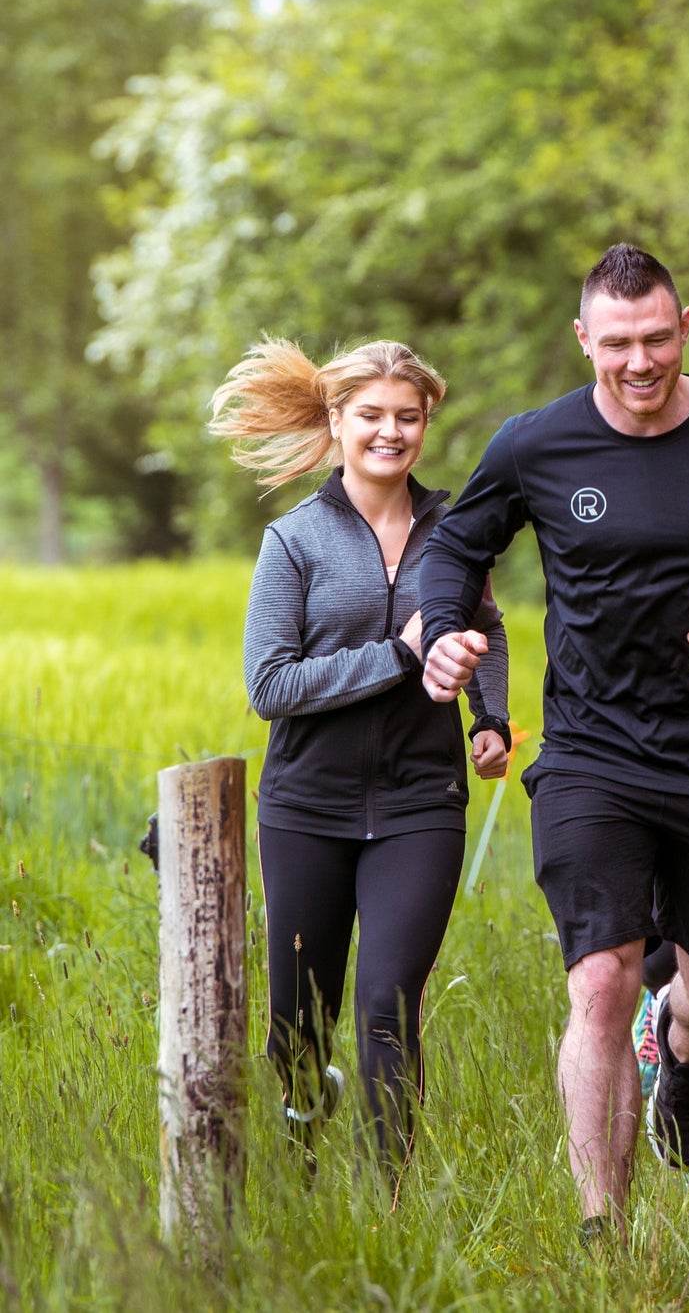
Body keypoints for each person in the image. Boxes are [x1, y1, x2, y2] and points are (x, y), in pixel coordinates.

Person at [413, 245, 689, 1245]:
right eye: (617, 344)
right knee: (601, 981)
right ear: (584, 341)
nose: (640, 361)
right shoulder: (536, 444)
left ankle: (683, 1050)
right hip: (590, 754)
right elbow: (458, 549)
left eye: (657, 337)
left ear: (686, 326)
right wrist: (444, 633)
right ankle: (602, 1227)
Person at [216, 338, 510, 1185]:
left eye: (408, 417)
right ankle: (304, 1150)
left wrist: (487, 718)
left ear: (426, 423)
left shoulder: (455, 534)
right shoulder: (294, 540)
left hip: (422, 800)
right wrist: (398, 654)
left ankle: (386, 1199)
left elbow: (483, 629)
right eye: (372, 415)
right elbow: (270, 685)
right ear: (337, 421)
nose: (391, 432)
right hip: (307, 804)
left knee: (389, 1000)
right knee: (298, 1021)